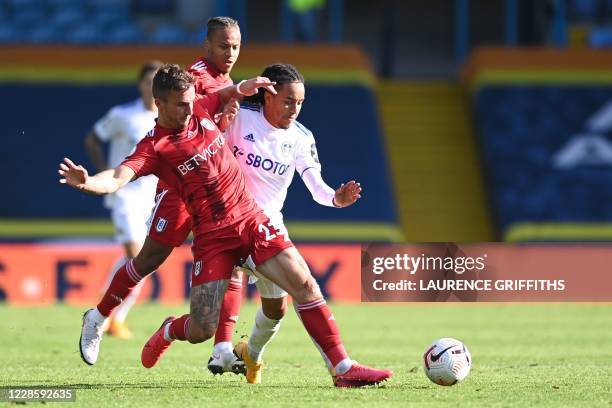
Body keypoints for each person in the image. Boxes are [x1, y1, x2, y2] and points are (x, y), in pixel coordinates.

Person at [59, 64, 392, 388]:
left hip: (250, 219)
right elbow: (118, 176)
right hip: (212, 238)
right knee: (201, 327)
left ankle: (342, 367)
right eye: (180, 105)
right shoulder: (154, 148)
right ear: (158, 104)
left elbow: (230, 91)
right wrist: (88, 182)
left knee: (304, 285)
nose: (190, 110)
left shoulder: (201, 108)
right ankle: (168, 330)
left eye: (191, 101)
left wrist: (244, 86)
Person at [75, 16, 247, 373]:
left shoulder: (224, 79)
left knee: (233, 261)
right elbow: (191, 115)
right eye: (223, 46)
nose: (230, 53)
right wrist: (91, 181)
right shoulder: (195, 77)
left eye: (235, 46)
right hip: (180, 193)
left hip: (216, 193)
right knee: (147, 260)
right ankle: (99, 315)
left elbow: (212, 120)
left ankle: (223, 348)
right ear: (207, 46)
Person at [222, 63, 363, 384]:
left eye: (299, 103)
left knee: (276, 309)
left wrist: (336, 199)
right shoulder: (239, 115)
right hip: (230, 223)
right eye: (288, 101)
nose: (294, 109)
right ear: (267, 95)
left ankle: (250, 356)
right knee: (302, 286)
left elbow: (317, 187)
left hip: (269, 226)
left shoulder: (301, 137)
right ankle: (341, 367)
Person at [83, 60, 162, 339]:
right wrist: (105, 173)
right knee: (136, 256)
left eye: (157, 81)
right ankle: (110, 315)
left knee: (142, 261)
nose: (152, 87)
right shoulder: (122, 115)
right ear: (140, 84)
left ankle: (112, 313)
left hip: (152, 197)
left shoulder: (168, 120)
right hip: (125, 194)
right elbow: (92, 138)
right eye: (148, 81)